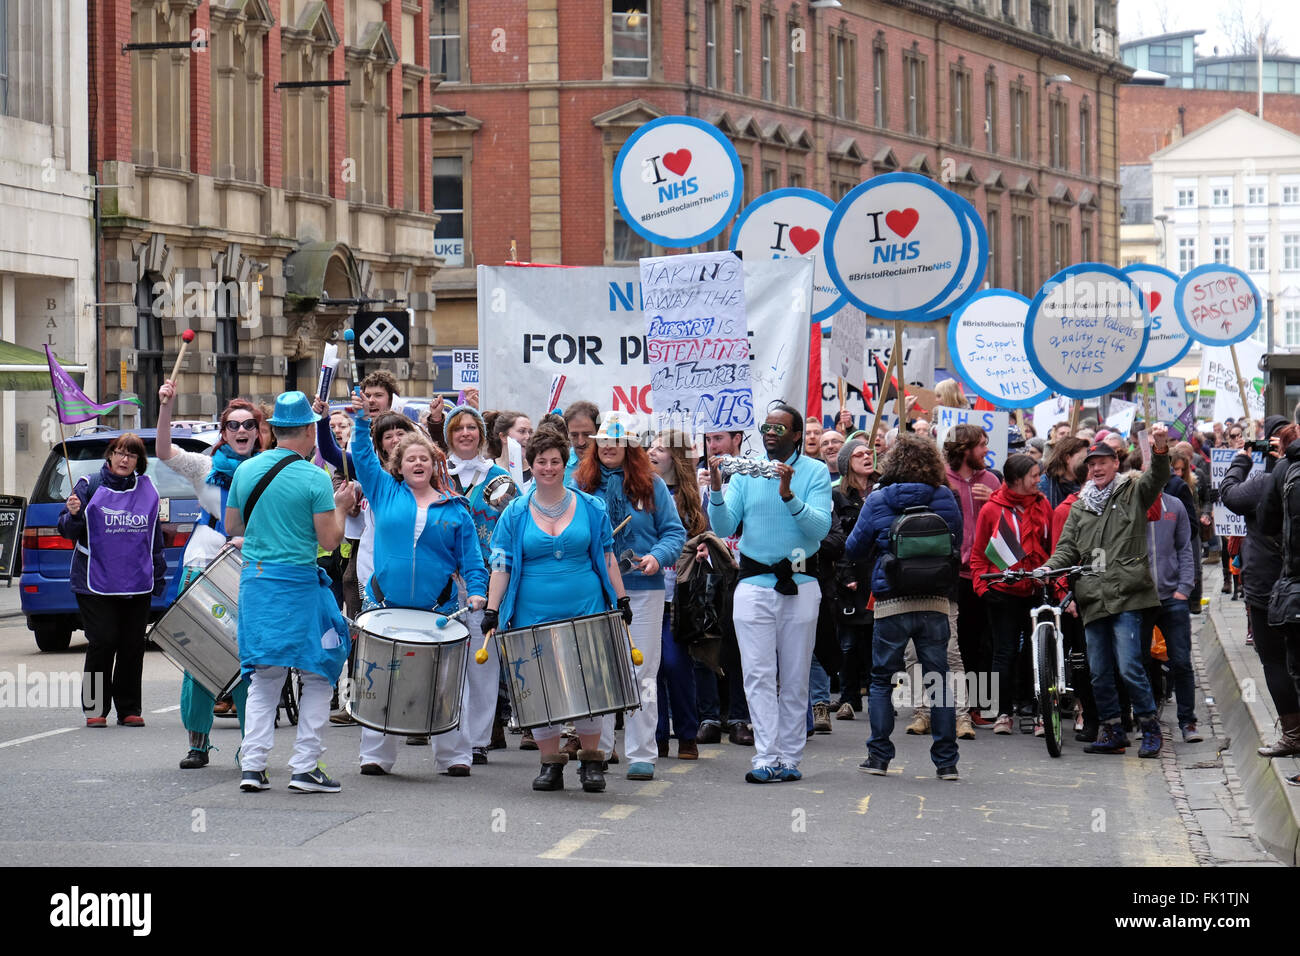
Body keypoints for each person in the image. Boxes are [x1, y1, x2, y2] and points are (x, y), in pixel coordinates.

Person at [485, 425, 632, 792]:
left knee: (589, 686)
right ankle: (550, 763)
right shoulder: (515, 513)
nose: (548, 468)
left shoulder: (591, 506)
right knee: (540, 688)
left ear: (564, 463)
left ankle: (592, 763)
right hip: (531, 611)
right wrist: (492, 609)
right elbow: (501, 565)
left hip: (586, 606)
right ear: (530, 466)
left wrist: (622, 598)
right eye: (541, 462)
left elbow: (608, 556)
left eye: (554, 461)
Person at [348, 394, 489, 778]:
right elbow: (361, 454)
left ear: (435, 464)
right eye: (410, 459)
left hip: (439, 611)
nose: (417, 463)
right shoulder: (382, 490)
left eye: (424, 458)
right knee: (382, 677)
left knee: (446, 685)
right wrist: (361, 422)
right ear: (398, 464)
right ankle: (375, 755)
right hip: (385, 607)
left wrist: (478, 591)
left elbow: (472, 559)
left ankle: (453, 756)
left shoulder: (455, 506)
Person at [225, 392, 355, 794]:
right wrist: (342, 506)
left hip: (257, 582)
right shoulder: (314, 476)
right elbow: (331, 541)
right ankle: (304, 766)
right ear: (309, 431)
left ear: (273, 429)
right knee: (319, 671)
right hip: (297, 582)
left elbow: (234, 525)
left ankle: (253, 765)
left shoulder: (246, 470)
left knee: (265, 677)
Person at [707, 404, 832, 783]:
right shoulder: (746, 470)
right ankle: (765, 756)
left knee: (794, 676)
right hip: (753, 584)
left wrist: (789, 495)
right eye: (767, 427)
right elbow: (725, 523)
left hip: (801, 583)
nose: (771, 433)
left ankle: (790, 758)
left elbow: (819, 529)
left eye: (781, 428)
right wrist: (715, 488)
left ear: (797, 435)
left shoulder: (816, 471)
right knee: (758, 674)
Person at [1037, 426, 1171, 758]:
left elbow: (1157, 477)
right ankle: (1111, 728)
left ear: (1115, 463)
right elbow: (1066, 549)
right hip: (1092, 598)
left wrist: (1160, 448)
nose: (1096, 469)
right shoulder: (1079, 508)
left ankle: (1149, 727)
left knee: (1129, 667)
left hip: (1128, 595)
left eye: (1102, 462)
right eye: (1091, 464)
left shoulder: (1134, 491)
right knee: (1098, 672)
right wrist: (1048, 568)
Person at [157, 381, 265, 767]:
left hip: (252, 568)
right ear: (223, 433)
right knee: (198, 657)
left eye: (248, 425)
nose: (241, 431)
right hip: (204, 567)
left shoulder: (271, 470)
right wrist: (166, 407)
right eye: (233, 425)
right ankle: (197, 743)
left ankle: (250, 746)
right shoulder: (205, 467)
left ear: (259, 431)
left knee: (247, 660)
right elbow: (164, 451)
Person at [575, 412, 686, 780]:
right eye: (603, 441)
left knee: (643, 672)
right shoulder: (580, 486)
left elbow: (673, 533)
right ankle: (600, 749)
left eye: (617, 441)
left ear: (629, 446)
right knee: (599, 669)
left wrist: (657, 557)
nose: (609, 447)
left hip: (642, 591)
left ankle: (642, 751)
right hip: (596, 591)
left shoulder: (650, 486)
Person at [846, 434, 963, 780]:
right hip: (936, 602)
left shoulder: (878, 499)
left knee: (882, 679)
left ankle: (879, 757)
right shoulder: (944, 496)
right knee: (938, 680)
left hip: (891, 601)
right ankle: (946, 763)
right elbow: (957, 540)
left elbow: (853, 548)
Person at [59, 433, 167, 728]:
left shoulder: (148, 490)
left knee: (132, 645)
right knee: (103, 641)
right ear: (110, 456)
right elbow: (67, 530)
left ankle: (129, 708)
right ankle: (95, 707)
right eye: (119, 453)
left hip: (136, 580)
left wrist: (159, 573)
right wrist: (73, 515)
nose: (124, 459)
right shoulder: (88, 485)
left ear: (138, 462)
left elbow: (154, 538)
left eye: (131, 455)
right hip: (94, 580)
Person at [1221, 419, 1300, 756]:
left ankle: (1294, 734)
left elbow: (1229, 494)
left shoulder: (1269, 480)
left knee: (1275, 661)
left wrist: (1241, 458)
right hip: (1286, 584)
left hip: (1271, 586)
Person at [443, 403, 515, 764]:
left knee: (482, 661)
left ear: (482, 435)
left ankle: (479, 739)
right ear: (449, 436)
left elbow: (509, 527)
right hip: (443, 581)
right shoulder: (437, 473)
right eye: (458, 428)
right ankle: (452, 732)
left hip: (484, 579)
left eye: (472, 427)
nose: (466, 433)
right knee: (449, 662)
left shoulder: (498, 476)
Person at [970, 453, 1053, 736]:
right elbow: (978, 553)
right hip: (1003, 592)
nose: (1038, 480)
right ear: (1017, 480)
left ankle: (1036, 710)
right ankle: (1003, 712)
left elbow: (1052, 546)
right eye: (1033, 475)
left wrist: (1049, 575)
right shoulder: (992, 509)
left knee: (1037, 653)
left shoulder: (1043, 505)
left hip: (1035, 589)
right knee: (1003, 652)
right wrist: (982, 588)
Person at [648, 430, 709, 759]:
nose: (652, 453)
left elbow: (709, 538)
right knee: (651, 667)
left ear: (678, 457)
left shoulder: (691, 498)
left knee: (674, 664)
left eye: (661, 448)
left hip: (680, 597)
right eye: (651, 447)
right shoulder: (640, 491)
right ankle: (657, 736)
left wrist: (701, 552)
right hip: (647, 591)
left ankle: (687, 732)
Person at [694, 428, 753, 746]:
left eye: (718, 439)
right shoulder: (697, 477)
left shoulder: (749, 473)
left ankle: (740, 717)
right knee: (703, 646)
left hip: (741, 571)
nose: (712, 445)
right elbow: (689, 525)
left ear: (737, 439)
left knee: (739, 649)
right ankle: (709, 716)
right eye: (708, 440)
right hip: (707, 573)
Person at [939, 423, 999, 734]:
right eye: (981, 445)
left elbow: (1009, 521)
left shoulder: (991, 479)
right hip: (952, 574)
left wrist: (995, 498)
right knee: (953, 644)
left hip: (985, 573)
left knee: (983, 642)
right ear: (964, 450)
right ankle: (952, 705)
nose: (986, 451)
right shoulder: (940, 480)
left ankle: (982, 705)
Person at [1140, 482, 1199, 742]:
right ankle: (1147, 719)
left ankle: (1188, 722)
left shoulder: (1175, 506)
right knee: (1139, 662)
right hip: (1140, 599)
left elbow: (1185, 548)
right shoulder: (1133, 507)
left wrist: (1184, 588)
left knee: (1181, 661)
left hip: (1172, 596)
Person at [822, 438, 876, 720]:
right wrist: (845, 574)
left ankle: (879, 697)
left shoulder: (882, 490)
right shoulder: (835, 495)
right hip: (850, 576)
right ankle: (848, 697)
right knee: (849, 641)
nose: (867, 457)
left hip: (876, 574)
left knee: (875, 640)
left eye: (869, 452)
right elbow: (837, 538)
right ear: (846, 463)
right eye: (859, 454)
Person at [486, 409, 534, 489]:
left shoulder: (537, 470)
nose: (528, 437)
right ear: (503, 437)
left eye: (530, 432)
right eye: (522, 431)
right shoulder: (487, 470)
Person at [1038, 436, 1088, 512]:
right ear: (1067, 458)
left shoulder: (1086, 485)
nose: (1086, 464)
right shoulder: (1042, 485)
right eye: (1082, 459)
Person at [563, 400, 600, 486]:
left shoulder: (611, 464)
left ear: (598, 432)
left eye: (587, 435)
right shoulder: (557, 464)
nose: (581, 442)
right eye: (574, 435)